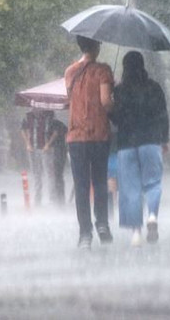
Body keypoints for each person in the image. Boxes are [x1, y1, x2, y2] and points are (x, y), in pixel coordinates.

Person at [109, 51, 169, 246]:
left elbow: (116, 119)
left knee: (130, 189)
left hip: (126, 144)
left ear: (125, 68)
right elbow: (163, 115)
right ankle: (152, 215)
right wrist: (165, 139)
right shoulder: (154, 88)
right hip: (151, 141)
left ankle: (136, 232)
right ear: (142, 65)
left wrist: (112, 99)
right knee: (153, 183)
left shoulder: (119, 91)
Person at [64, 35, 114, 249]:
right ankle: (102, 223)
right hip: (99, 135)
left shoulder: (70, 72)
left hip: (76, 137)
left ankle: (85, 233)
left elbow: (70, 99)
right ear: (96, 46)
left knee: (81, 185)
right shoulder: (103, 70)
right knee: (100, 182)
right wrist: (113, 104)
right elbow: (105, 102)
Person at [21, 109, 54, 206]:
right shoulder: (28, 116)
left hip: (45, 149)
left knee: (49, 174)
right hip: (33, 148)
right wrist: (27, 143)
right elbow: (23, 129)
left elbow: (55, 131)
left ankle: (52, 199)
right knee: (36, 174)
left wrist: (48, 144)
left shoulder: (49, 115)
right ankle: (37, 199)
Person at [47, 111, 68, 206]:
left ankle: (59, 199)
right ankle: (60, 198)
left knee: (57, 176)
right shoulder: (61, 124)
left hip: (57, 152)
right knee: (58, 176)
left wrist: (47, 145)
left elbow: (55, 134)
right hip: (62, 151)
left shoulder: (53, 124)